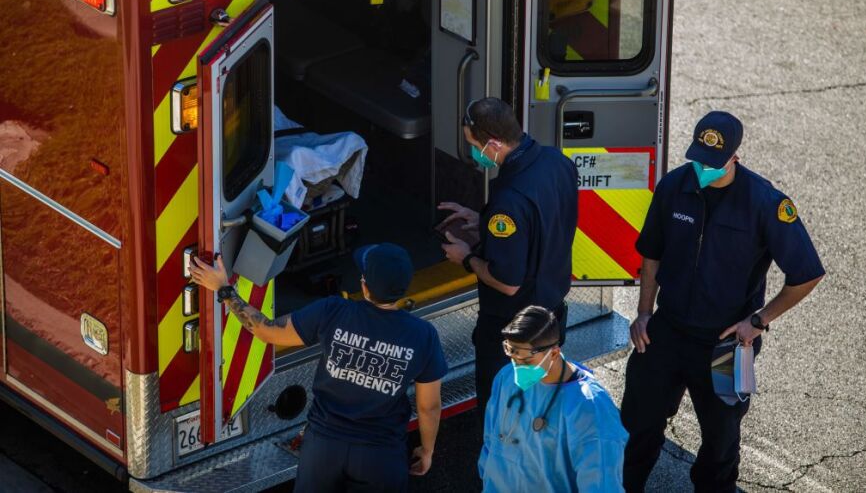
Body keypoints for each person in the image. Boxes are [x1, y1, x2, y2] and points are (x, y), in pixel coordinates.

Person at [620, 111, 825, 492]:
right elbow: (652, 254)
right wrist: (644, 313)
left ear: (734, 158)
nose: (702, 169)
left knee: (720, 445)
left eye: (712, 164)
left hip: (725, 344)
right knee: (637, 428)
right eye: (697, 159)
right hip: (667, 331)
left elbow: (807, 273)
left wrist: (759, 321)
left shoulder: (765, 202)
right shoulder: (673, 187)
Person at [190, 243, 448, 492]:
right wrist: (427, 451)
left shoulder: (333, 311)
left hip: (323, 449)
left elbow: (266, 331)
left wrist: (224, 289)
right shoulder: (423, 335)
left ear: (364, 286)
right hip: (380, 455)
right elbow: (429, 407)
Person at [438, 96, 578, 423]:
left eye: (475, 145)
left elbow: (508, 281)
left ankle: (503, 471)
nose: (474, 152)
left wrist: (466, 257)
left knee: (505, 415)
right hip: (551, 319)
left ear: (496, 144)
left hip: (515, 335)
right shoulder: (557, 162)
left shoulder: (509, 200)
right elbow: (542, 222)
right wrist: (482, 219)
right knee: (540, 407)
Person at [479, 305, 627, 492]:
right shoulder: (506, 377)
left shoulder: (590, 408)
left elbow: (602, 484)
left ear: (554, 353)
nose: (517, 368)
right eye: (512, 355)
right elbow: (491, 439)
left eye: (526, 361)